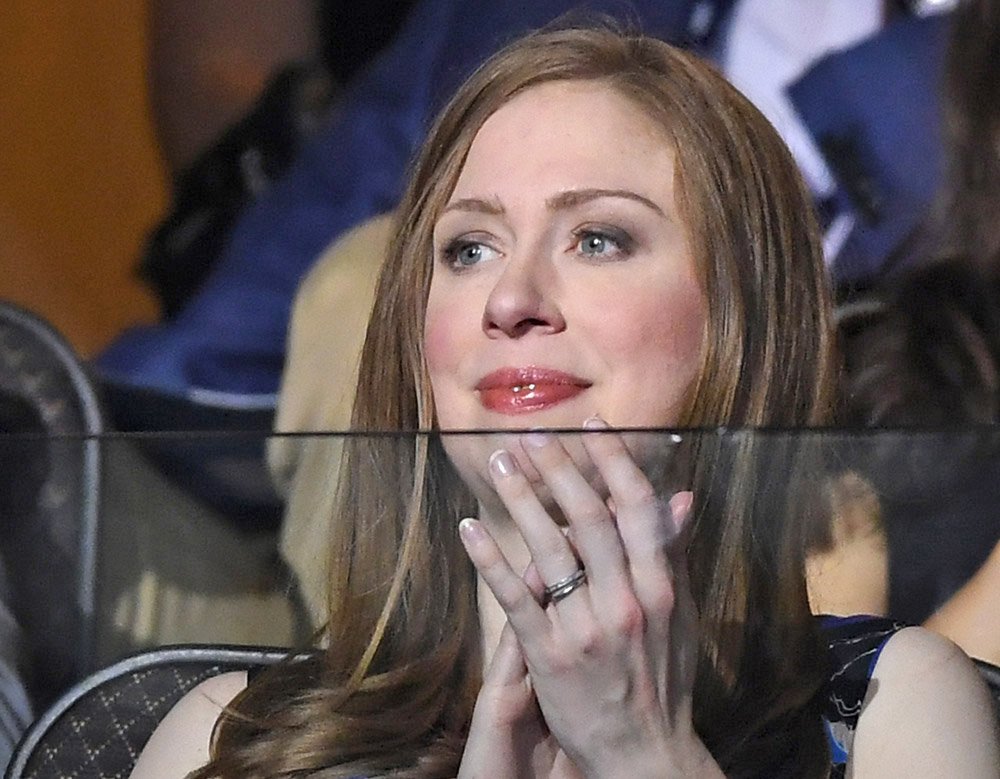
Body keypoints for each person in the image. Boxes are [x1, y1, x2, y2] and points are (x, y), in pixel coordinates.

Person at [130, 25, 999, 778]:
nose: (512, 298)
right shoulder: (232, 739)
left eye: (597, 238)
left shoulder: (887, 708)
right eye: (469, 249)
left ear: (743, 320)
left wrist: (645, 753)